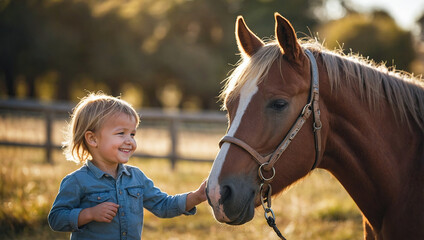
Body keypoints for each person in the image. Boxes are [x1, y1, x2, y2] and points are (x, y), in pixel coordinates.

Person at [48, 92, 207, 239]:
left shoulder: (136, 178)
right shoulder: (77, 181)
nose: (130, 140)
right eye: (121, 133)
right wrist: (88, 214)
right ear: (93, 139)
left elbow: (163, 205)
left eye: (132, 134)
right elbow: (56, 219)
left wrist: (196, 197)